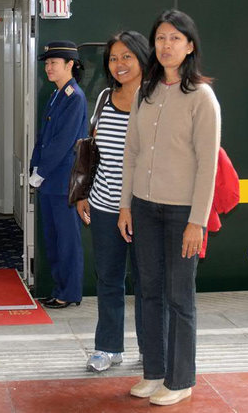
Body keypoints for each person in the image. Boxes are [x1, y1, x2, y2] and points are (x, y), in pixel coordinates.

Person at [118, 10, 220, 406]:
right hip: (144, 207)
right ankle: (155, 372)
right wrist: (126, 206)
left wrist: (197, 221)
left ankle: (180, 380)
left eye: (175, 38)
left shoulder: (201, 97)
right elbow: (132, 153)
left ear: (190, 46)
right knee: (148, 293)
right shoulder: (147, 91)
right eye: (160, 38)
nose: (166, 45)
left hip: (181, 214)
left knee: (180, 297)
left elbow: (207, 164)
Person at [76, 31, 149, 371]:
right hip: (104, 205)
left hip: (146, 207)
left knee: (148, 281)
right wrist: (84, 194)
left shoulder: (156, 99)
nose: (119, 65)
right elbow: (95, 151)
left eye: (126, 57)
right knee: (108, 277)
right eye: (113, 59)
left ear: (141, 58)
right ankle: (108, 347)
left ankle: (151, 347)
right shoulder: (105, 97)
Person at [29, 41, 87, 309]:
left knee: (67, 240)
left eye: (53, 63)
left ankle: (70, 292)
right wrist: (35, 167)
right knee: (53, 238)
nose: (48, 67)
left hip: (62, 181)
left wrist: (41, 172)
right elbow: (43, 139)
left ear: (70, 65)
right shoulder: (57, 94)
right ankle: (58, 288)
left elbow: (63, 142)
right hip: (49, 180)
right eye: (47, 63)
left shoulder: (73, 97)